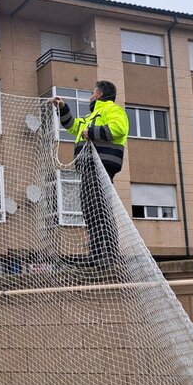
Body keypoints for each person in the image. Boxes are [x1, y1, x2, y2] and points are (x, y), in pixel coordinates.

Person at [52, 81, 129, 264]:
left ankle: (108, 255)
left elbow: (119, 128)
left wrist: (91, 132)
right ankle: (97, 254)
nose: (90, 96)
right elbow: (72, 126)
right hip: (88, 167)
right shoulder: (91, 116)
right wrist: (63, 107)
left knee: (100, 210)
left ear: (100, 94)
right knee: (91, 211)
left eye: (93, 92)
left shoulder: (112, 110)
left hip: (100, 166)